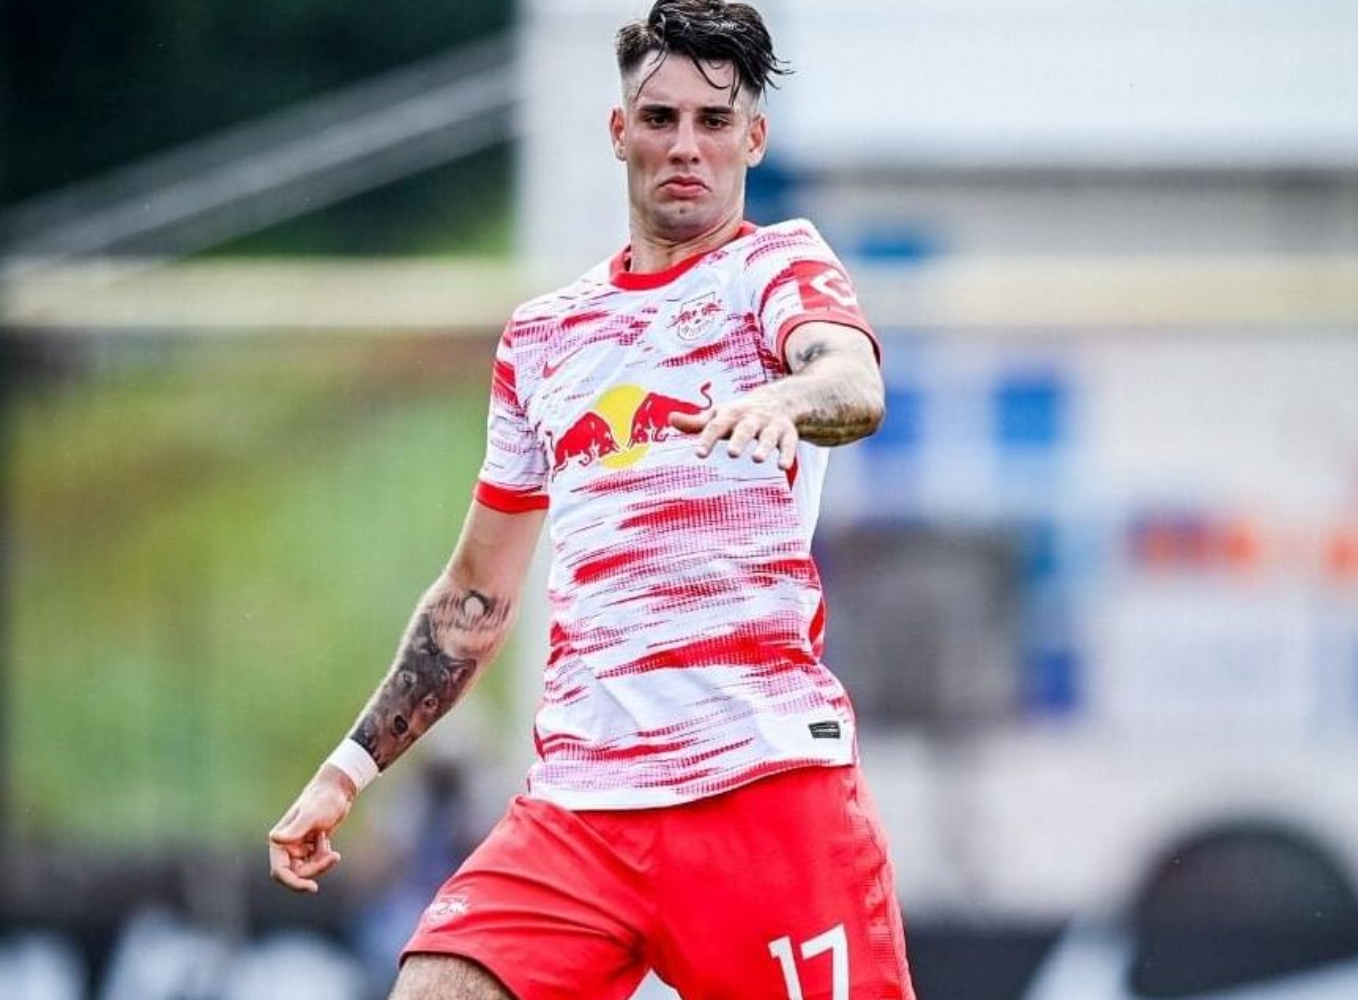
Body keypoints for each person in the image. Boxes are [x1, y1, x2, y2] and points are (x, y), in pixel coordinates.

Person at [268, 2, 916, 997]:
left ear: (753, 137)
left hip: (760, 784)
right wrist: (346, 769)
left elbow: (852, 384)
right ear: (620, 132)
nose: (685, 145)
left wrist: (781, 400)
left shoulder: (773, 268)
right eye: (660, 118)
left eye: (713, 119)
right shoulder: (544, 338)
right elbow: (475, 596)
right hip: (584, 808)